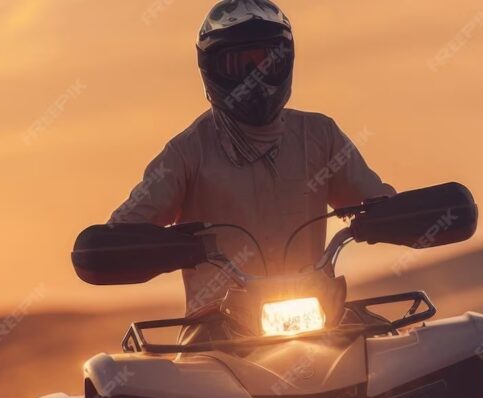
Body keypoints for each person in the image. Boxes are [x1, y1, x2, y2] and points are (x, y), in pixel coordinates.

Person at [109, 0, 394, 320]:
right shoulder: (186, 152)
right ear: (211, 69)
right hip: (215, 326)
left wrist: (408, 216)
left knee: (395, 341)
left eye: (267, 61)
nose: (254, 76)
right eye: (238, 64)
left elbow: (376, 201)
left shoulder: (319, 135)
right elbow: (121, 234)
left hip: (317, 312)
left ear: (287, 61)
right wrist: (127, 249)